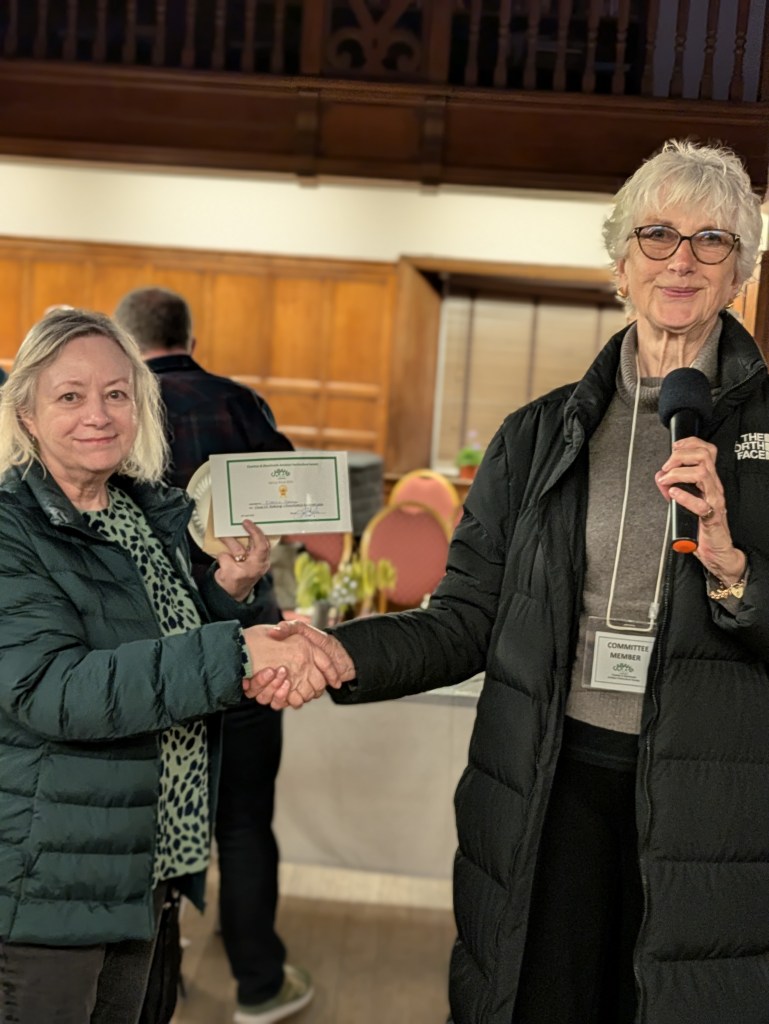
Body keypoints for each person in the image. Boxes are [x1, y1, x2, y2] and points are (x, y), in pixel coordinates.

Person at [249, 140, 769, 1024]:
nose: (681, 259)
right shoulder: (535, 436)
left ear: (739, 271)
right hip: (550, 784)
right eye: (657, 235)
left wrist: (733, 569)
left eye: (711, 241)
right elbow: (466, 619)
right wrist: (340, 651)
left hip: (713, 805)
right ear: (619, 261)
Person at [0, 308, 338, 1024]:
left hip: (145, 864)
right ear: (26, 412)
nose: (98, 414)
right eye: (70, 396)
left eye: (117, 394)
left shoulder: (143, 514)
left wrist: (229, 596)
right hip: (46, 880)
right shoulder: (10, 529)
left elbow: (165, 654)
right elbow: (53, 691)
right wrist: (239, 647)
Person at [113, 286, 311, 1024]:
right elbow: (292, 501)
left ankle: (146, 974)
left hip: (145, 652)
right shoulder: (238, 403)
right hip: (245, 643)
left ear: (128, 344)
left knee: (137, 818)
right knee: (244, 820)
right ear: (189, 337)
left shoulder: (117, 416)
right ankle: (259, 982)